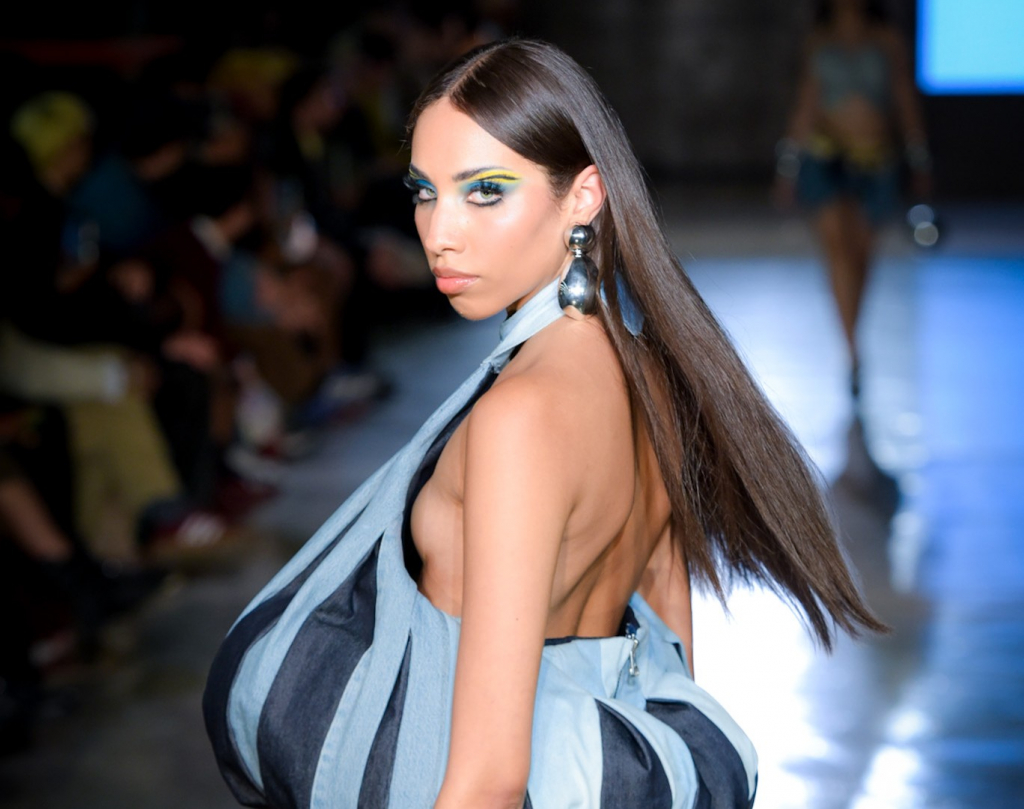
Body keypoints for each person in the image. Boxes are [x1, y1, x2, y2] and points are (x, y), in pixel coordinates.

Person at [205, 39, 884, 808]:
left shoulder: (519, 416)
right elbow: (669, 661)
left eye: (484, 191)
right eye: (425, 191)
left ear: (584, 196)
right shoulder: (654, 380)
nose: (439, 231)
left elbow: (489, 781)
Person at [775, 0, 932, 400]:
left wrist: (918, 155)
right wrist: (789, 164)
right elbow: (808, 103)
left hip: (877, 161)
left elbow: (903, 97)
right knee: (837, 251)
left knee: (860, 256)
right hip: (825, 156)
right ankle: (852, 352)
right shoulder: (819, 40)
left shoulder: (887, 40)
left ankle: (853, 340)